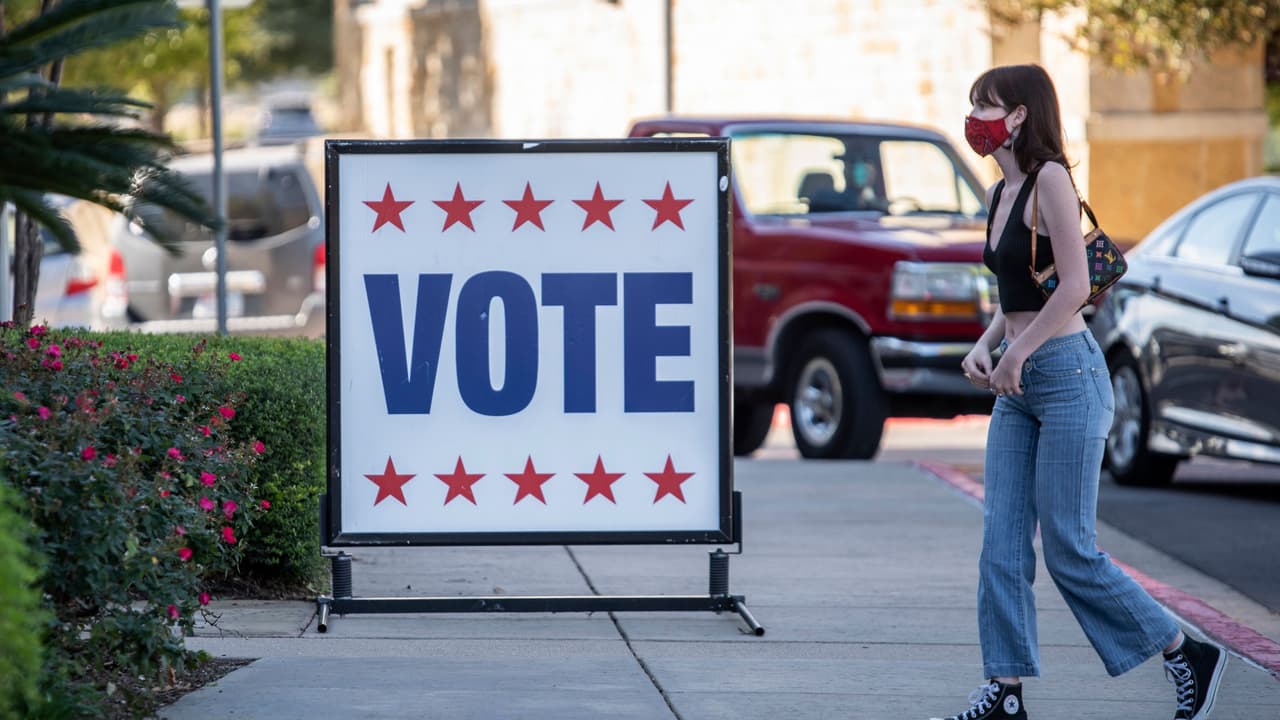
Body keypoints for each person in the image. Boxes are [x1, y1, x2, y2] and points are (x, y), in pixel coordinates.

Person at [933, 64, 1228, 720]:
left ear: (1018, 116)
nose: (975, 116)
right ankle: (1005, 692)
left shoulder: (1051, 181)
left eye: (986, 104)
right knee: (1001, 538)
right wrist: (989, 345)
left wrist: (1021, 352)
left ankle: (1184, 650)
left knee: (1069, 546)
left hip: (1067, 376)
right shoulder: (1000, 193)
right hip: (1019, 376)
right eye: (972, 102)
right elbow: (1017, 289)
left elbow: (1074, 288)